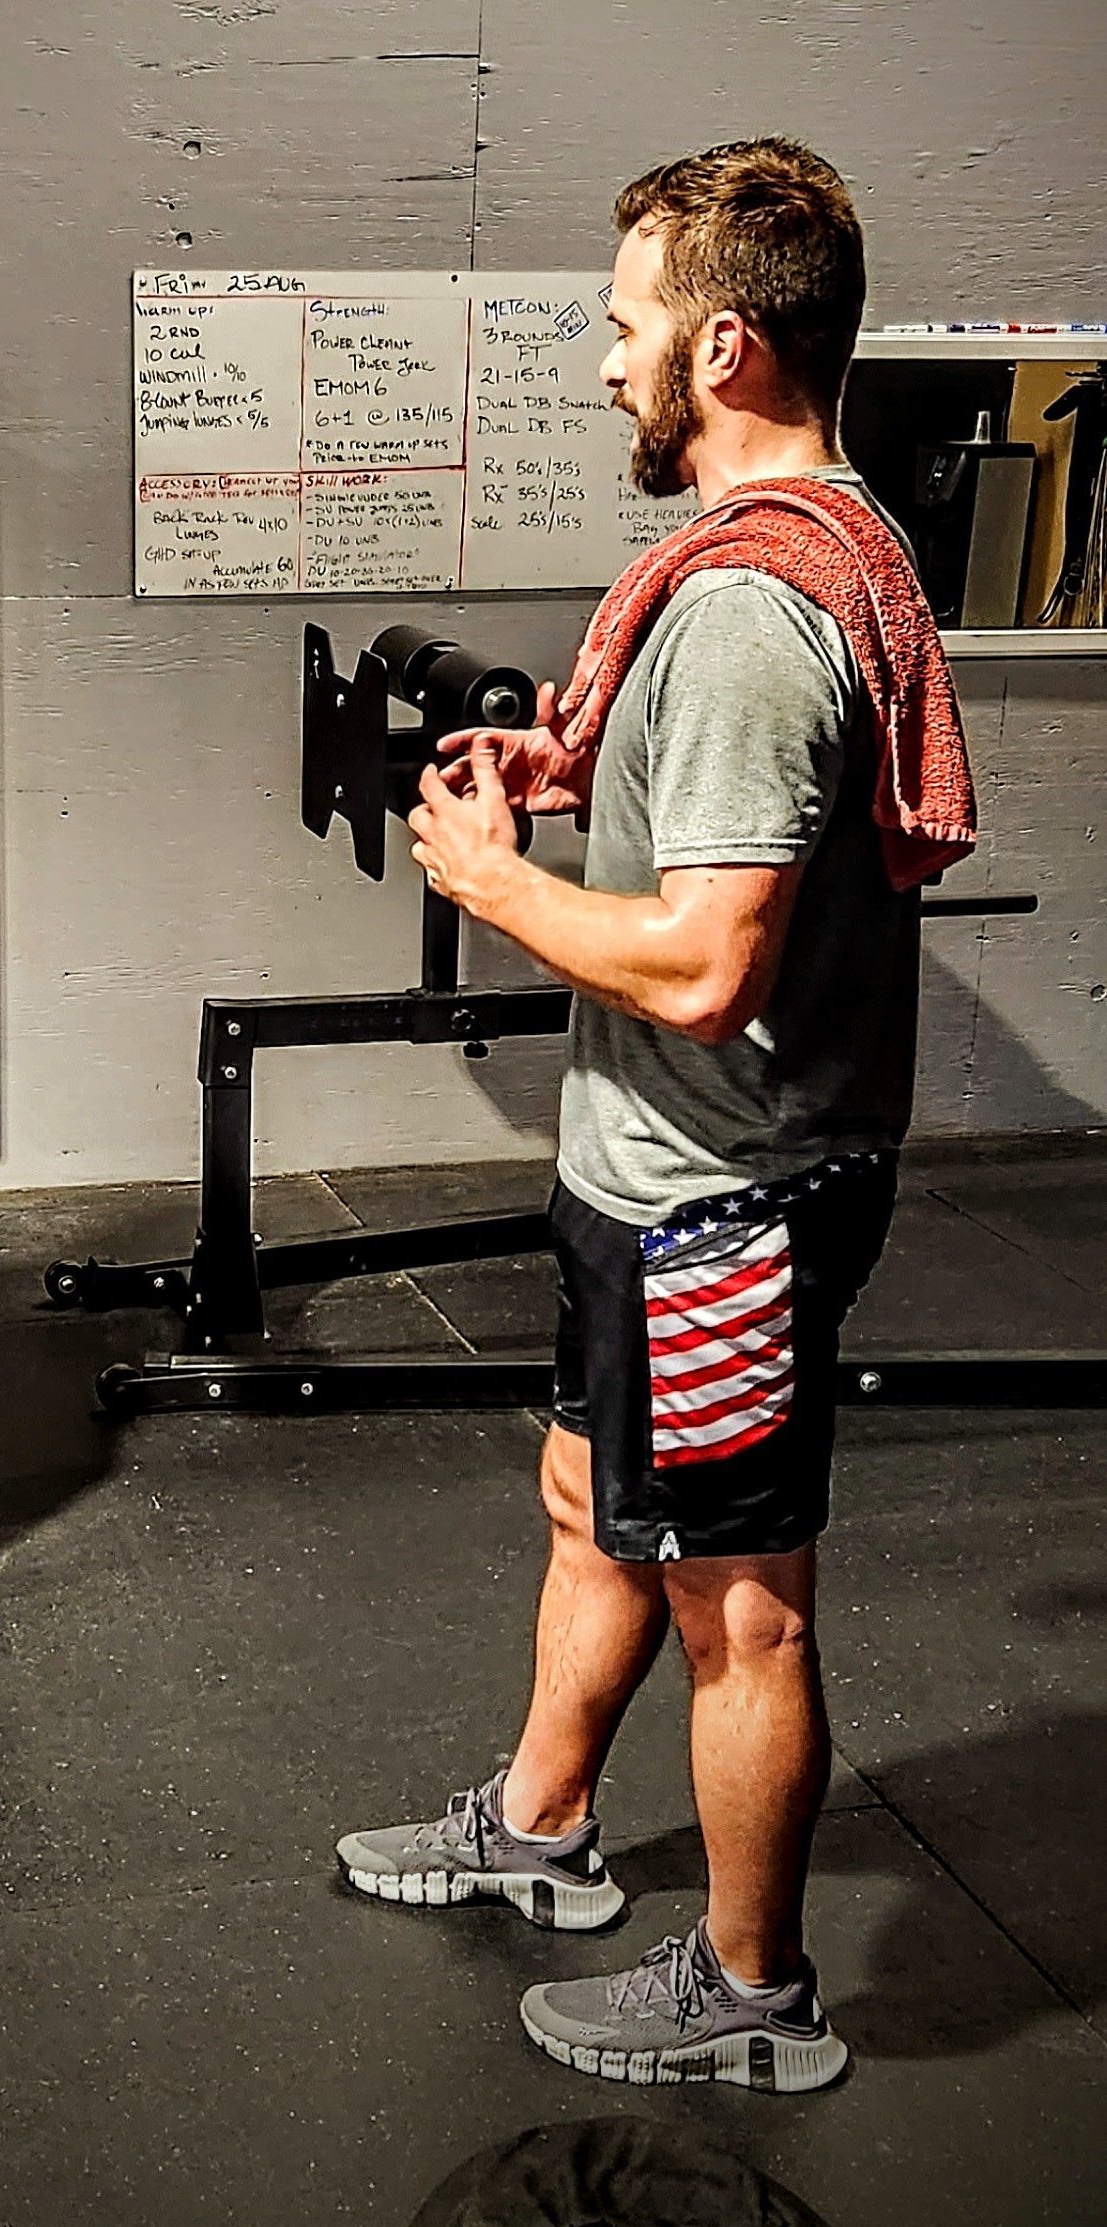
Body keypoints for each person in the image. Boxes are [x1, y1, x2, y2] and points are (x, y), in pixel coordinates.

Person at [336, 140, 976, 2091]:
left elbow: (704, 964)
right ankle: (541, 1825)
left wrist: (492, 877)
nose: (605, 361)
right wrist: (574, 774)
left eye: (625, 327)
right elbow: (723, 824)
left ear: (720, 349)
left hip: (722, 1198)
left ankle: (753, 1988)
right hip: (660, 1174)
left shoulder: (752, 610)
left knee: (741, 1608)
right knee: (588, 1508)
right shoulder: (817, 536)